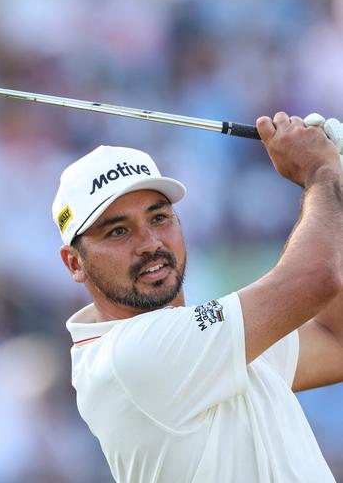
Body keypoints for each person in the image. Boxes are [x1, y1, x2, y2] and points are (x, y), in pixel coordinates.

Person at [51, 112, 343, 482]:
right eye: (118, 231)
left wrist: (337, 185)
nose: (150, 243)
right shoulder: (129, 357)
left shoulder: (207, 342)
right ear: (75, 263)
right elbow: (316, 279)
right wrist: (321, 172)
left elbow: (336, 341)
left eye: (159, 218)